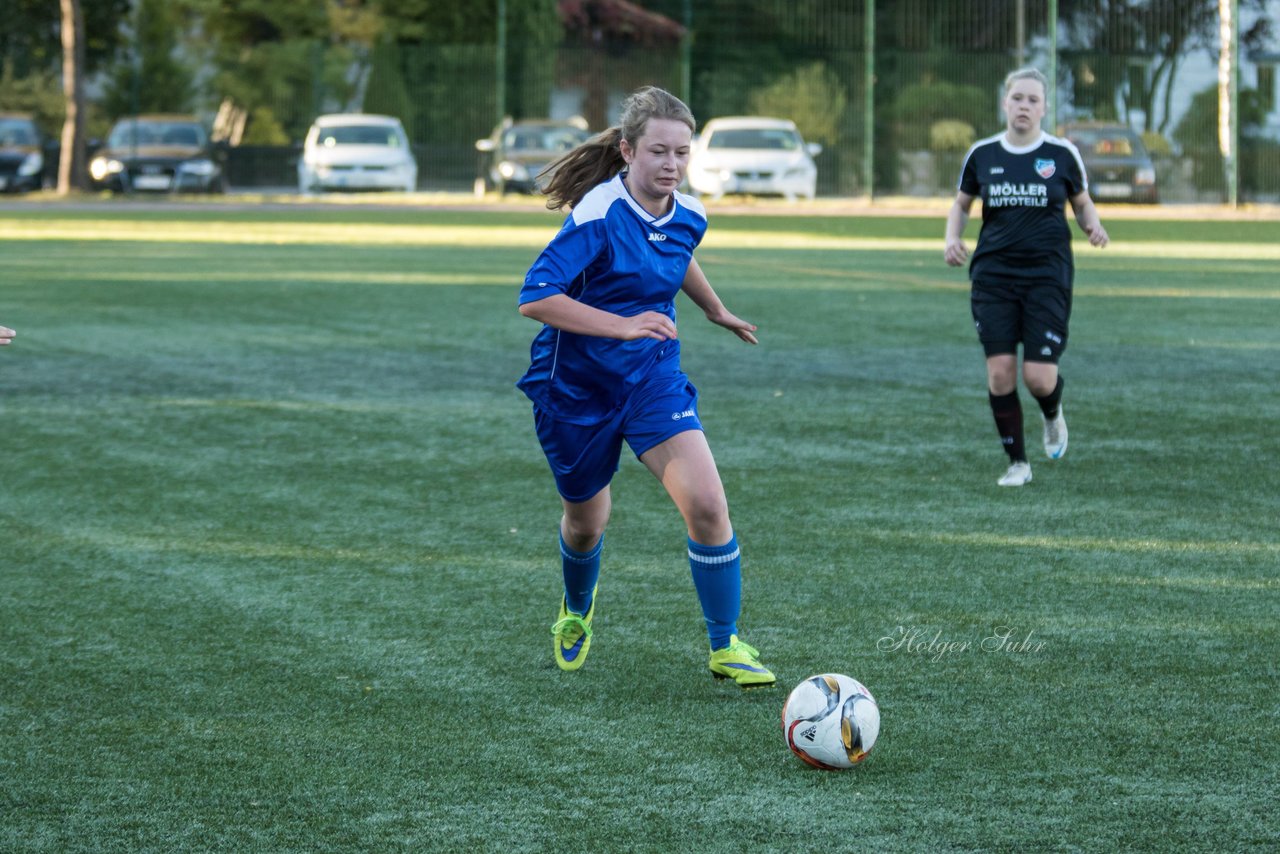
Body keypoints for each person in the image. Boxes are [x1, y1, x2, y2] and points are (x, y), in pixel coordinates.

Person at [516, 86, 774, 688]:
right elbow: (535, 298)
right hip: (575, 389)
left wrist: (712, 308)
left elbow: (675, 251)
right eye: (659, 152)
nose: (672, 166)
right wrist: (623, 325)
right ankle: (576, 609)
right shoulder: (597, 214)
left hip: (652, 379)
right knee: (586, 522)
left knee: (708, 504)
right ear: (628, 151)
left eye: (682, 153)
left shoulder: (690, 213)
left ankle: (725, 643)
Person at [944, 67, 1109, 487]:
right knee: (1000, 372)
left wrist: (1093, 225)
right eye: (1018, 98)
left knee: (1038, 377)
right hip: (994, 277)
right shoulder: (983, 154)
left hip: (1046, 276)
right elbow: (961, 205)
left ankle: (1052, 414)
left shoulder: (1061, 154)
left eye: (1033, 100)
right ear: (1005, 102)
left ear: (1044, 108)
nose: (1024, 106)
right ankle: (1018, 462)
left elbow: (1082, 202)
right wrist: (952, 239)